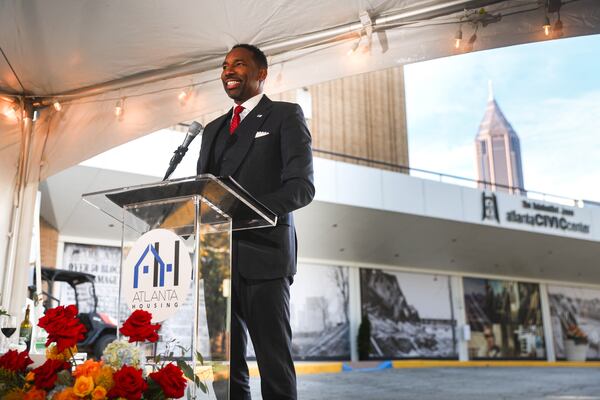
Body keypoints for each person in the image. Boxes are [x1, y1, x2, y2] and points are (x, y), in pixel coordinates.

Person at [196, 44, 314, 400]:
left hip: (265, 257)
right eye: (225, 66)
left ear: (262, 73)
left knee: (273, 363)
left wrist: (243, 209)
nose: (228, 71)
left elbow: (302, 187)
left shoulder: (285, 115)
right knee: (225, 370)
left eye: (239, 64)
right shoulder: (212, 129)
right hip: (218, 260)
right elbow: (202, 194)